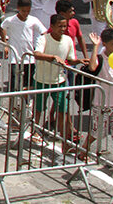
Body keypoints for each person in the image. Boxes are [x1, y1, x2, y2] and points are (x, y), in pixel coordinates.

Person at [79, 29, 113, 170]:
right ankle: (83, 151)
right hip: (101, 104)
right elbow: (92, 67)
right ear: (105, 44)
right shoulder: (100, 58)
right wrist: (95, 46)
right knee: (97, 133)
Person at [33, 15, 83, 148]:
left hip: (59, 81)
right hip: (41, 80)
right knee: (38, 109)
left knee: (62, 110)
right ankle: (35, 131)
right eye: (60, 26)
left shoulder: (68, 40)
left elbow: (70, 60)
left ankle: (63, 137)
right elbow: (37, 54)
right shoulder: (44, 39)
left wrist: (78, 61)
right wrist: (52, 57)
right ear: (52, 26)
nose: (63, 29)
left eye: (65, 26)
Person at [1, 0, 47, 91]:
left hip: (29, 56)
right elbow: (2, 28)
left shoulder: (33, 20)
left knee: (29, 82)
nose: (25, 13)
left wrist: (40, 47)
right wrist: (5, 44)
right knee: (14, 82)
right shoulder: (10, 20)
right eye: (23, 11)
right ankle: (12, 99)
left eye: (28, 11)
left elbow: (44, 32)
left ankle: (26, 98)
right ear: (18, 8)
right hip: (14, 56)